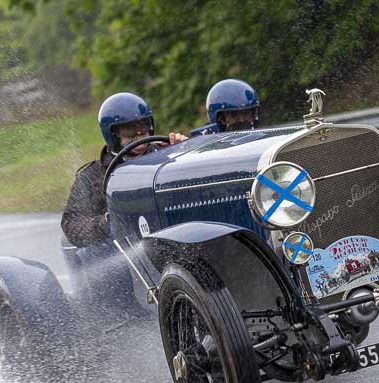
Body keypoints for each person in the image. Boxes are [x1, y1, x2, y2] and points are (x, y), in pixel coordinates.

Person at [60, 92, 186, 317]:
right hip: (123, 251)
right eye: (129, 130)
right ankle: (121, 317)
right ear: (113, 134)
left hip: (170, 238)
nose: (139, 134)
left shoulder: (169, 154)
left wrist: (185, 149)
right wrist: (106, 222)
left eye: (144, 127)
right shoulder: (91, 177)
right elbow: (70, 224)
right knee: (98, 253)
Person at [190, 79, 260, 136]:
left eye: (246, 113)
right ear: (221, 120)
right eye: (234, 114)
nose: (241, 120)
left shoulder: (265, 144)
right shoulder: (206, 146)